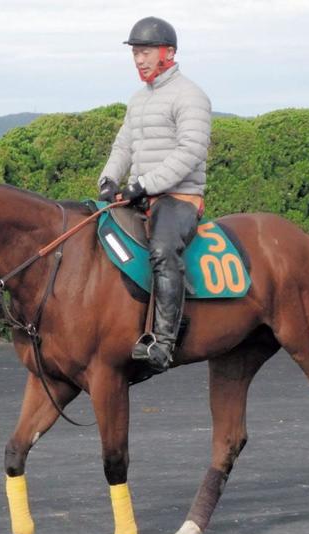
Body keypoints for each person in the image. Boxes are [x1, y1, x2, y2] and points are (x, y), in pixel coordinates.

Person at [98, 16, 212, 373]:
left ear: (169, 52)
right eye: (135, 53)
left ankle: (164, 341)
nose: (139, 59)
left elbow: (190, 150)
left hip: (179, 198)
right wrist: (109, 179)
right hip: (142, 195)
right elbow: (123, 145)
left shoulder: (191, 96)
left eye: (145, 51)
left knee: (162, 250)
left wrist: (144, 184)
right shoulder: (138, 100)